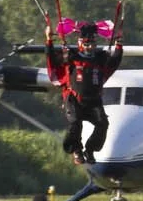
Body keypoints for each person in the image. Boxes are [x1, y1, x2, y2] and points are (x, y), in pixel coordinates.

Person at [43, 18, 123, 163]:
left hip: (94, 101)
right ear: (80, 44)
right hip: (74, 100)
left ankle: (90, 150)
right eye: (86, 44)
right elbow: (52, 59)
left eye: (92, 44)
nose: (89, 47)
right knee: (75, 124)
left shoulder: (101, 59)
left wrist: (118, 43)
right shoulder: (70, 58)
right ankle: (76, 150)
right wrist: (49, 39)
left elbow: (115, 62)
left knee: (103, 124)